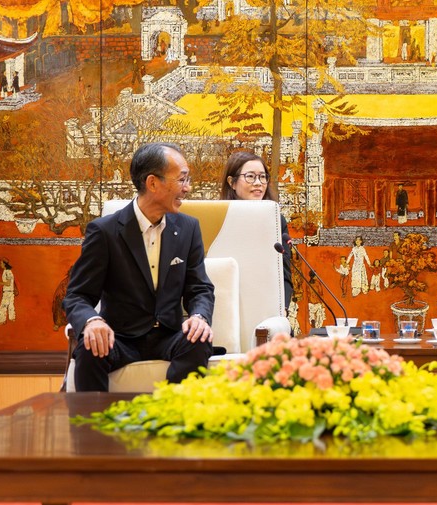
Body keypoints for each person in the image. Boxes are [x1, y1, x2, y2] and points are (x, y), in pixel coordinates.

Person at [63, 142, 215, 392]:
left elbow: (199, 288)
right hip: (119, 338)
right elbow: (77, 295)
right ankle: (92, 429)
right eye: (182, 180)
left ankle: (172, 420)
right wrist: (91, 321)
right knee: (91, 346)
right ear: (153, 183)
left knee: (198, 340)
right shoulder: (105, 232)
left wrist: (199, 316)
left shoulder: (188, 228)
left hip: (169, 336)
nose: (187, 188)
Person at [220, 151, 293, 307]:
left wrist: (282, 310)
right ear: (232, 182)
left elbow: (284, 275)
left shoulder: (276, 221)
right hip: (227, 305)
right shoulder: (220, 220)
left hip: (267, 307)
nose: (258, 183)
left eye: (262, 176)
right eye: (251, 176)